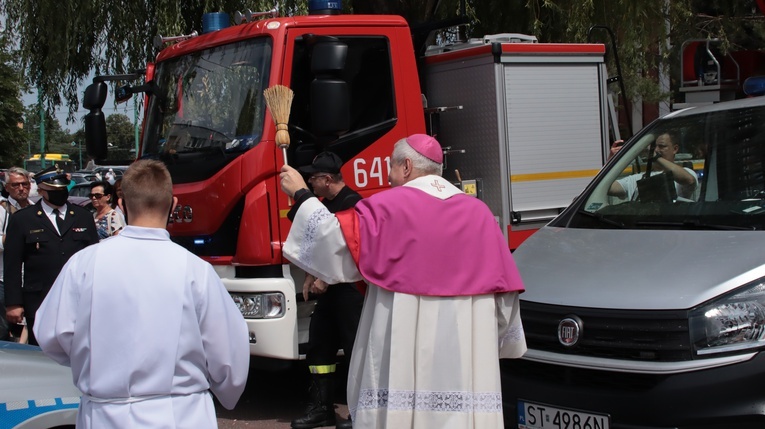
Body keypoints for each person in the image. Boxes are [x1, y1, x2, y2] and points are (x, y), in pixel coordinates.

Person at [279, 134, 527, 429]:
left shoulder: (387, 208)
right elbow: (505, 294)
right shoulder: (480, 213)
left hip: (401, 362)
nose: (389, 179)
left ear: (407, 166)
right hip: (464, 362)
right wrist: (498, 340)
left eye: (392, 170)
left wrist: (301, 195)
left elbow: (332, 243)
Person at [34, 159, 250, 428]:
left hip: (105, 413)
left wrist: (94, 362)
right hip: (180, 413)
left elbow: (52, 334)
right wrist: (224, 390)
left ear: (122, 206)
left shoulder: (84, 264)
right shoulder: (197, 270)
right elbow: (228, 351)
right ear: (173, 205)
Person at [289, 152, 364, 429]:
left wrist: (326, 280)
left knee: (357, 350)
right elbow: (318, 245)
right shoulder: (324, 204)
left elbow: (345, 250)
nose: (310, 181)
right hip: (330, 293)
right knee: (319, 347)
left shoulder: (352, 204)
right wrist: (310, 276)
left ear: (328, 179)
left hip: (349, 292)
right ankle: (322, 408)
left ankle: (361, 413)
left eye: (314, 177)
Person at [4, 166, 99, 346]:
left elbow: (94, 259)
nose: (60, 193)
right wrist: (14, 303)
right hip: (40, 300)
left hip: (77, 300)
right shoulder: (23, 219)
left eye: (63, 189)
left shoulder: (82, 216)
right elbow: (13, 264)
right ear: (40, 191)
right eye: (54, 190)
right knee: (40, 355)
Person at [609, 132, 698, 201]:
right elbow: (608, 188)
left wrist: (655, 157)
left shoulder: (686, 172)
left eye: (661, 146)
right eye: (654, 146)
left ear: (675, 149)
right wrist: (611, 161)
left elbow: (689, 180)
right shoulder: (636, 179)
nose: (656, 149)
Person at [0, 167, 35, 341]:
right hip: (3, 280)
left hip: (30, 280)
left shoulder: (35, 208)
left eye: (24, 184)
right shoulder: (1, 210)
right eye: (15, 185)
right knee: (5, 332)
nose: (21, 188)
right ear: (7, 187)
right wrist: (13, 238)